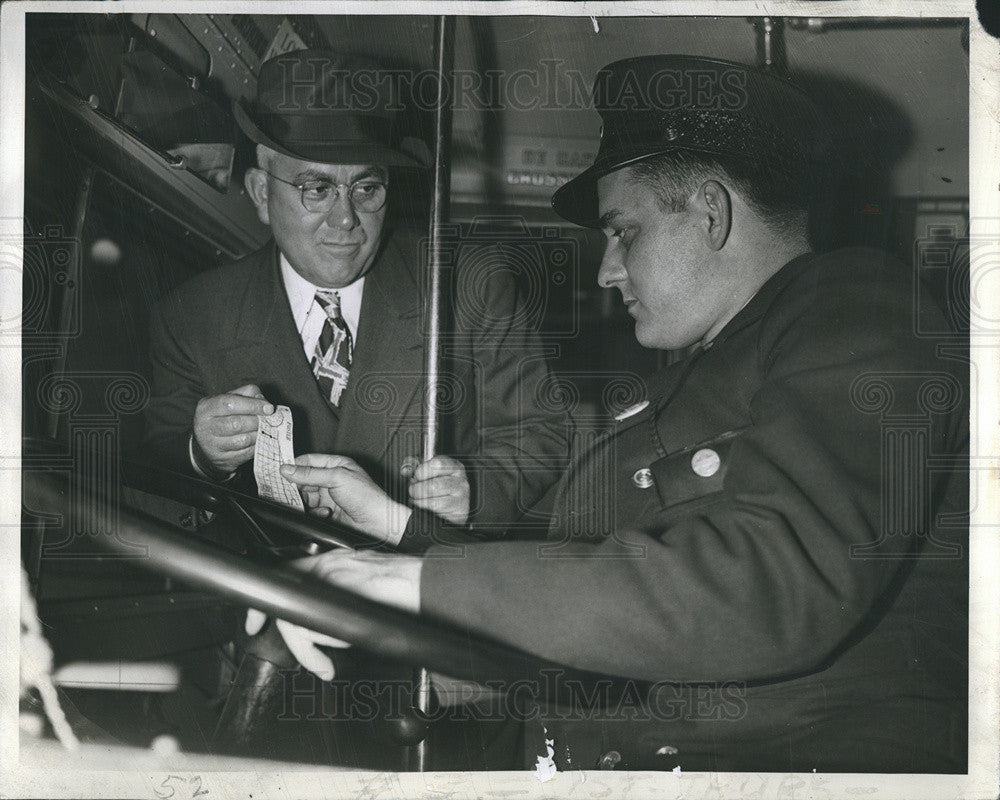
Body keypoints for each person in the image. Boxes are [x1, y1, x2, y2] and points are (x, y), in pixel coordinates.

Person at [260, 55, 969, 772]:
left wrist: (412, 584)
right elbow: (617, 596)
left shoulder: (859, 310)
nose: (606, 269)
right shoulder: (705, 371)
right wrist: (392, 537)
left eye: (623, 232)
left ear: (711, 213)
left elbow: (774, 582)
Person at [144, 49, 569, 533]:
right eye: (317, 189)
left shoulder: (469, 285)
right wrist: (202, 454)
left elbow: (541, 434)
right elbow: (156, 471)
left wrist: (477, 488)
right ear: (262, 194)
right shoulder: (191, 315)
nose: (346, 219)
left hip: (414, 590)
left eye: (366, 189)